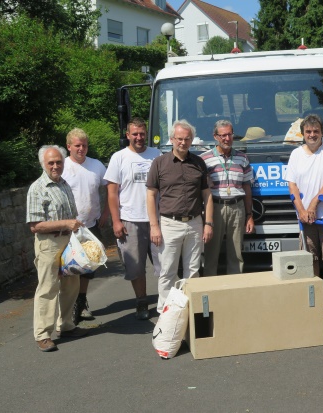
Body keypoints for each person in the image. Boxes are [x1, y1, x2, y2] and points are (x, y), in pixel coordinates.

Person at [146, 119, 214, 313]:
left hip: (195, 223)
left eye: (187, 139)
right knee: (167, 271)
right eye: (179, 139)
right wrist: (154, 226)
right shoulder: (159, 163)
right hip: (169, 223)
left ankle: (189, 312)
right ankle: (165, 314)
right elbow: (151, 195)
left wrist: (208, 223)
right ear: (171, 139)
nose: (183, 143)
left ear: (192, 140)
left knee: (193, 271)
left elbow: (207, 195)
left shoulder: (199, 163)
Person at [26, 145, 88, 352]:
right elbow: (35, 226)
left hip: (68, 242)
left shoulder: (64, 184)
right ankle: (43, 334)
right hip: (49, 243)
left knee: (71, 285)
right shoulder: (37, 188)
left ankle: (67, 325)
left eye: (58, 162)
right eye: (50, 162)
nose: (55, 166)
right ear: (43, 164)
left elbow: (71, 217)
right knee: (48, 288)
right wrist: (65, 224)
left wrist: (74, 227)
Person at [285, 114, 323, 313]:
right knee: (311, 257)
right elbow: (291, 185)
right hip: (305, 216)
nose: (312, 135)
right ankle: (315, 293)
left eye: (316, 131)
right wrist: (302, 210)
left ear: (322, 133)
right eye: (308, 132)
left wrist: (313, 204)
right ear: (302, 134)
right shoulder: (296, 155)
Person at [104, 118, 162, 320]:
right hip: (130, 220)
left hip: (157, 220)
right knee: (135, 266)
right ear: (128, 135)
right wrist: (116, 221)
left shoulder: (157, 155)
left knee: (164, 263)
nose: (139, 137)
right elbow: (112, 193)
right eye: (135, 134)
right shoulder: (118, 158)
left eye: (142, 133)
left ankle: (166, 303)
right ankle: (142, 302)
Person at [61, 128, 109, 325]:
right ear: (69, 146)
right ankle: (67, 308)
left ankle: (81, 303)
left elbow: (112, 188)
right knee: (70, 268)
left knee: (88, 268)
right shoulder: (61, 166)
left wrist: (106, 214)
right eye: (77, 145)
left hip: (91, 224)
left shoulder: (96, 166)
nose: (81, 149)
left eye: (84, 145)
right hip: (68, 228)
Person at [201, 120, 254, 275]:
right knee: (211, 254)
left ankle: (234, 291)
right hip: (215, 208)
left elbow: (247, 187)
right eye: (223, 135)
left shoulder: (242, 158)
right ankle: (209, 291)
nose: (227, 138)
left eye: (229, 134)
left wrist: (249, 215)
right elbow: (201, 190)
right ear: (215, 136)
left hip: (238, 208)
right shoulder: (204, 159)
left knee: (236, 254)